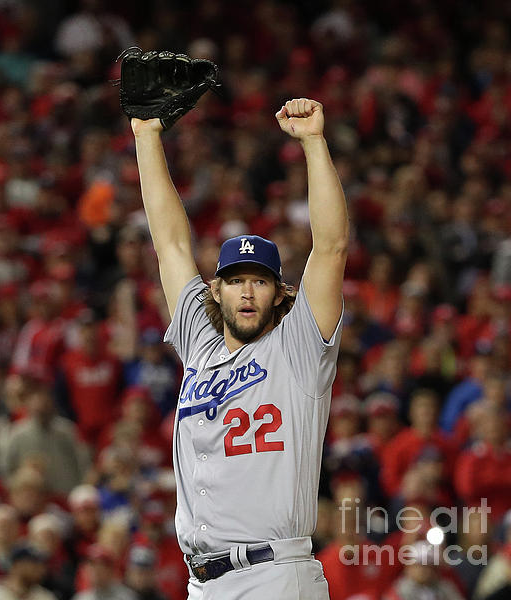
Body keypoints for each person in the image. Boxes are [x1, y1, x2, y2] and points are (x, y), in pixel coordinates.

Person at [131, 97, 348, 598]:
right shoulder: (199, 345)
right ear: (216, 290)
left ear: (279, 294)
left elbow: (332, 247)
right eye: (235, 281)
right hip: (203, 583)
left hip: (272, 575)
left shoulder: (298, 349)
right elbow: (170, 245)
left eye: (259, 281)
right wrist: (146, 136)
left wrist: (314, 144)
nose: (247, 292)